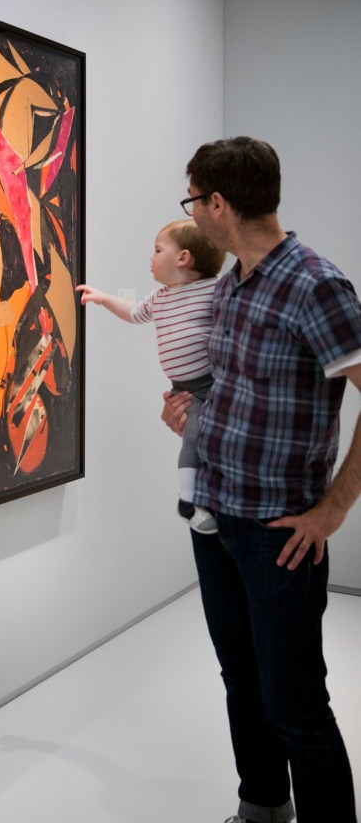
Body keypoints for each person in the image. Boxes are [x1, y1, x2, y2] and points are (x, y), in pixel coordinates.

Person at [163, 136, 361, 823]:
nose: (191, 211)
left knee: (295, 703)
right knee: (240, 680)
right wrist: (191, 418)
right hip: (214, 516)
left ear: (217, 204)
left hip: (279, 534)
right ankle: (262, 807)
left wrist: (331, 509)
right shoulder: (229, 285)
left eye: (192, 199)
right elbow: (234, 390)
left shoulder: (315, 284)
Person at [77, 219, 225, 533]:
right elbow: (133, 314)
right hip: (182, 388)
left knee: (197, 436)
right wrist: (103, 298)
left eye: (158, 250)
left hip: (211, 385)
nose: (151, 258)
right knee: (193, 436)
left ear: (183, 258)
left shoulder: (213, 290)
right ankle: (193, 500)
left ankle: (189, 500)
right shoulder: (160, 298)